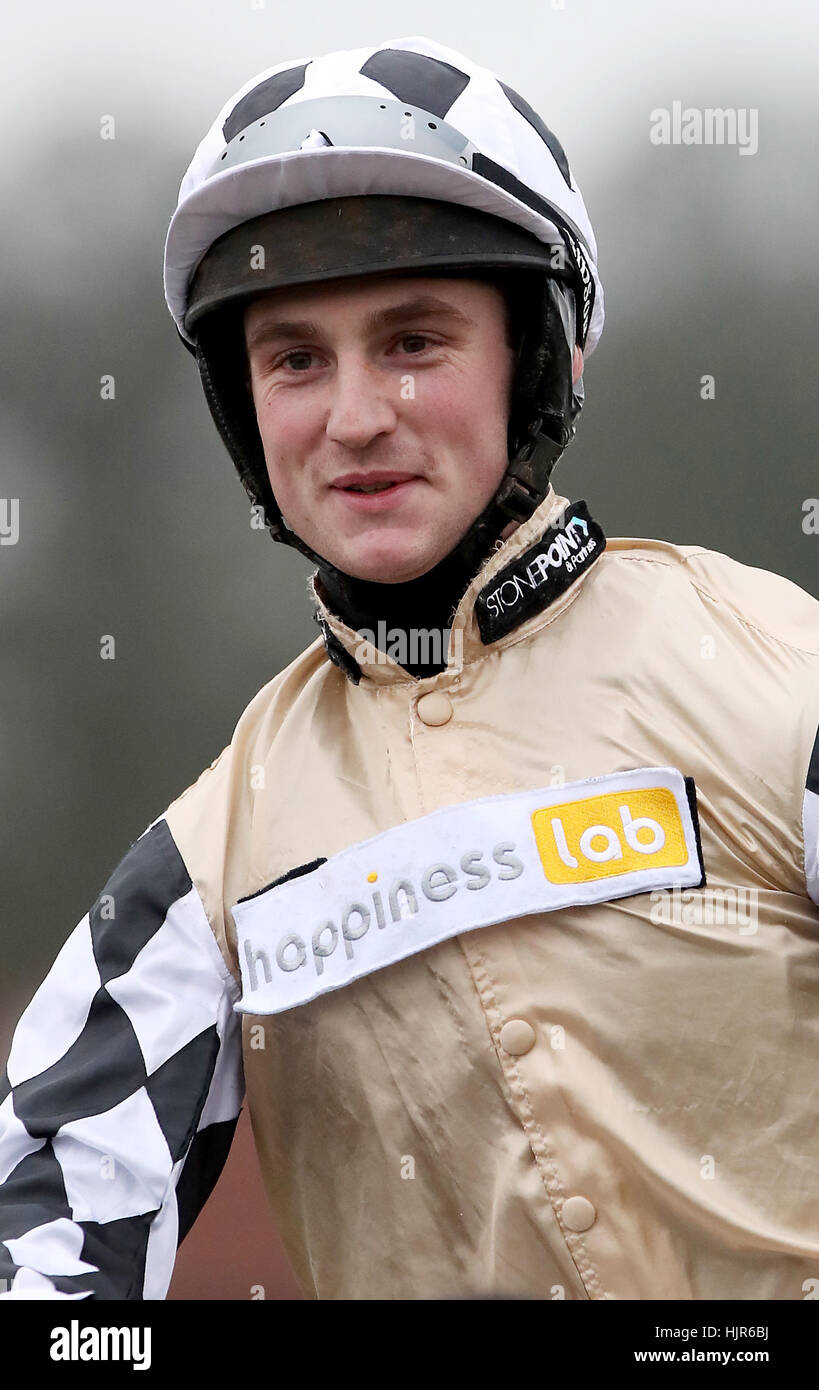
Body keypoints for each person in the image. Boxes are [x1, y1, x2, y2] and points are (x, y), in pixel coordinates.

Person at [1, 34, 818, 1303]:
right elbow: (43, 1270)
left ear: (540, 358)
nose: (356, 417)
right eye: (296, 360)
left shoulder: (786, 682)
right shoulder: (206, 861)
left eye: (415, 340)